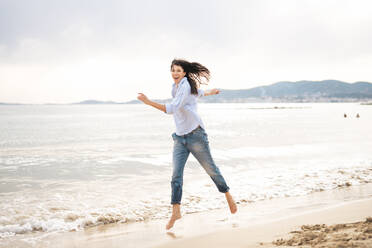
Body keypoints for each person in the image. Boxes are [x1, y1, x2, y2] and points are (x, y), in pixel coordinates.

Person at [137, 59, 237, 230]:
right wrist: (211, 92)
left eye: (178, 70)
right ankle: (176, 211)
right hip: (180, 137)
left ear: (184, 73)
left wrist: (148, 102)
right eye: (173, 70)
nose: (175, 73)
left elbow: (173, 108)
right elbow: (197, 92)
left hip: (195, 135)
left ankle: (227, 194)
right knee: (176, 176)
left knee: (211, 169)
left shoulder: (183, 86)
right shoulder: (177, 87)